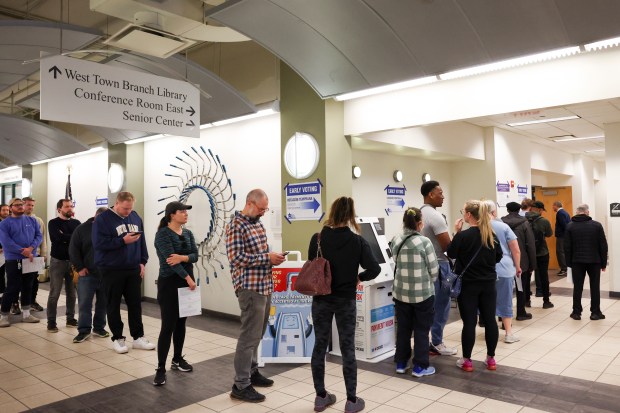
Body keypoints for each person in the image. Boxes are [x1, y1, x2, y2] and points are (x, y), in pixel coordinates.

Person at [307, 196, 380, 413]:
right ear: (350, 215)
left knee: (319, 345)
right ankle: (351, 400)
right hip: (346, 301)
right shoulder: (357, 241)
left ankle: (320, 397)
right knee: (348, 349)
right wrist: (359, 277)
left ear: (332, 212)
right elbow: (374, 269)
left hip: (321, 299)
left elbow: (313, 264)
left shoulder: (318, 238)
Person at [225, 189, 285, 403]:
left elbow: (260, 254)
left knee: (258, 334)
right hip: (249, 288)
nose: (263, 213)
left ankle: (252, 371)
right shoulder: (235, 225)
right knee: (248, 336)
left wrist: (273, 257)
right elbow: (236, 258)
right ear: (249, 203)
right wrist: (267, 258)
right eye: (261, 209)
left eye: (265, 209)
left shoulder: (257, 224)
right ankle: (240, 384)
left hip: (264, 286)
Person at [93, 191, 155, 354]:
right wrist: (122, 241)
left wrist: (143, 261)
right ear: (117, 203)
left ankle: (138, 337)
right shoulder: (102, 219)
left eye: (130, 208)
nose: (128, 212)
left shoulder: (135, 217)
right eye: (125, 209)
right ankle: (118, 338)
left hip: (133, 268)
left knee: (135, 304)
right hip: (111, 269)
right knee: (113, 305)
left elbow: (142, 241)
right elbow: (98, 243)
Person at [448, 200, 502, 372]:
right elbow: (498, 257)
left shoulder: (463, 236)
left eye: (463, 211)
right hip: (489, 284)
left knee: (469, 323)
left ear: (469, 215)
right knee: (491, 321)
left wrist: (456, 232)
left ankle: (467, 361)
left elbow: (451, 253)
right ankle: (491, 359)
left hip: (468, 286)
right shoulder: (491, 235)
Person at [153, 201, 198, 386]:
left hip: (187, 284)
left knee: (181, 324)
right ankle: (161, 368)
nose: (185, 214)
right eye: (182, 211)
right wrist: (187, 278)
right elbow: (171, 262)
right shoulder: (162, 235)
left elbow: (195, 255)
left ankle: (177, 359)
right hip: (170, 284)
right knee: (168, 326)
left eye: (186, 211)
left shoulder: (188, 233)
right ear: (172, 214)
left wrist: (183, 257)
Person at [391, 207, 438, 377]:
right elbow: (434, 270)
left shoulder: (396, 239)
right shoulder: (425, 242)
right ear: (419, 224)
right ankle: (420, 367)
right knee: (421, 330)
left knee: (403, 328)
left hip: (401, 293)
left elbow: (395, 261)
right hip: (422, 294)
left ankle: (401, 363)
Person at [420, 180, 457, 356]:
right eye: (440, 193)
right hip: (440, 266)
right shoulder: (436, 217)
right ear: (430, 195)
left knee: (427, 306)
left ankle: (425, 342)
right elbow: (448, 247)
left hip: (423, 267)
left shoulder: (419, 214)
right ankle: (437, 342)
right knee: (441, 305)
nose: (443, 196)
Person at [69, 207, 110, 343]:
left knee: (103, 303)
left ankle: (99, 327)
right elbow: (73, 250)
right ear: (96, 216)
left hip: (105, 273)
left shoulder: (110, 228)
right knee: (84, 303)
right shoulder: (82, 229)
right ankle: (84, 330)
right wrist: (80, 267)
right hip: (87, 273)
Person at [0, 198, 42, 327]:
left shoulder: (32, 220)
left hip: (30, 258)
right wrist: (23, 251)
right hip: (13, 259)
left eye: (21, 205)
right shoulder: (5, 223)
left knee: (28, 286)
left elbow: (38, 236)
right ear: (11, 207)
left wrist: (31, 249)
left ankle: (26, 314)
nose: (20, 207)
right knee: (12, 287)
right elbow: (6, 242)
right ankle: (4, 316)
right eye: (16, 205)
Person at [484, 201, 521, 343]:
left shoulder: (478, 228)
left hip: (485, 270)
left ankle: (490, 332)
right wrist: (517, 267)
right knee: (506, 300)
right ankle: (508, 333)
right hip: (505, 268)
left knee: (487, 302)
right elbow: (515, 250)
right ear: (494, 212)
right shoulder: (503, 227)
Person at [564, 204, 608, 321]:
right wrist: (603, 263)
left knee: (577, 287)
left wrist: (569, 264)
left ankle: (576, 312)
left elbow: (567, 247)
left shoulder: (570, 226)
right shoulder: (597, 225)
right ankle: (595, 312)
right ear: (587, 212)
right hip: (594, 261)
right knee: (595, 286)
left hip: (577, 261)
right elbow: (603, 246)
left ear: (577, 212)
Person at [46, 199, 81, 332]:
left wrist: (65, 236)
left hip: (72, 263)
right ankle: (51, 322)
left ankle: (70, 319)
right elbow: (56, 239)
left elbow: (79, 239)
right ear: (59, 209)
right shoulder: (53, 223)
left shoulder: (76, 223)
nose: (70, 209)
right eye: (67, 206)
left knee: (72, 293)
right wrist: (70, 237)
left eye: (71, 206)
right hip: (58, 262)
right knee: (54, 293)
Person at [502, 202, 537, 318]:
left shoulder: (500, 223)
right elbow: (530, 245)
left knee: (504, 289)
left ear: (507, 210)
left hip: (503, 261)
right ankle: (521, 312)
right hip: (521, 261)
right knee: (520, 287)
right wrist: (533, 264)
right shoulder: (525, 223)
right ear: (518, 210)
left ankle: (502, 315)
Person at [527, 201, 554, 309]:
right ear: (538, 209)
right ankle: (546, 301)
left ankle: (526, 301)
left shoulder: (523, 220)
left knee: (526, 277)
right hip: (542, 252)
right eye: (542, 210)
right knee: (544, 276)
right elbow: (549, 234)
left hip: (528, 253)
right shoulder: (544, 221)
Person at [22, 197, 47, 312]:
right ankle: (17, 303)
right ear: (22, 205)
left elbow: (43, 238)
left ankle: (32, 301)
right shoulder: (17, 219)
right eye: (28, 205)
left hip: (36, 255)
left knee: (34, 280)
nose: (30, 207)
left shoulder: (38, 220)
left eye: (32, 205)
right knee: (20, 281)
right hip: (21, 255)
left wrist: (44, 253)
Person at [553, 201, 571, 276]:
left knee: (560, 252)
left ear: (556, 206)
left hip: (561, 236)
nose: (552, 208)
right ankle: (565, 268)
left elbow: (564, 225)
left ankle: (564, 269)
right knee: (563, 251)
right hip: (564, 236)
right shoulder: (565, 212)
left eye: (553, 206)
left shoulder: (560, 213)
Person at [0, 203, 9, 297]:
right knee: (0, 275)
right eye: (4, 210)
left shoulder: (10, 221)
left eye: (7, 210)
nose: (6, 212)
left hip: (9, 253)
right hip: (1, 253)